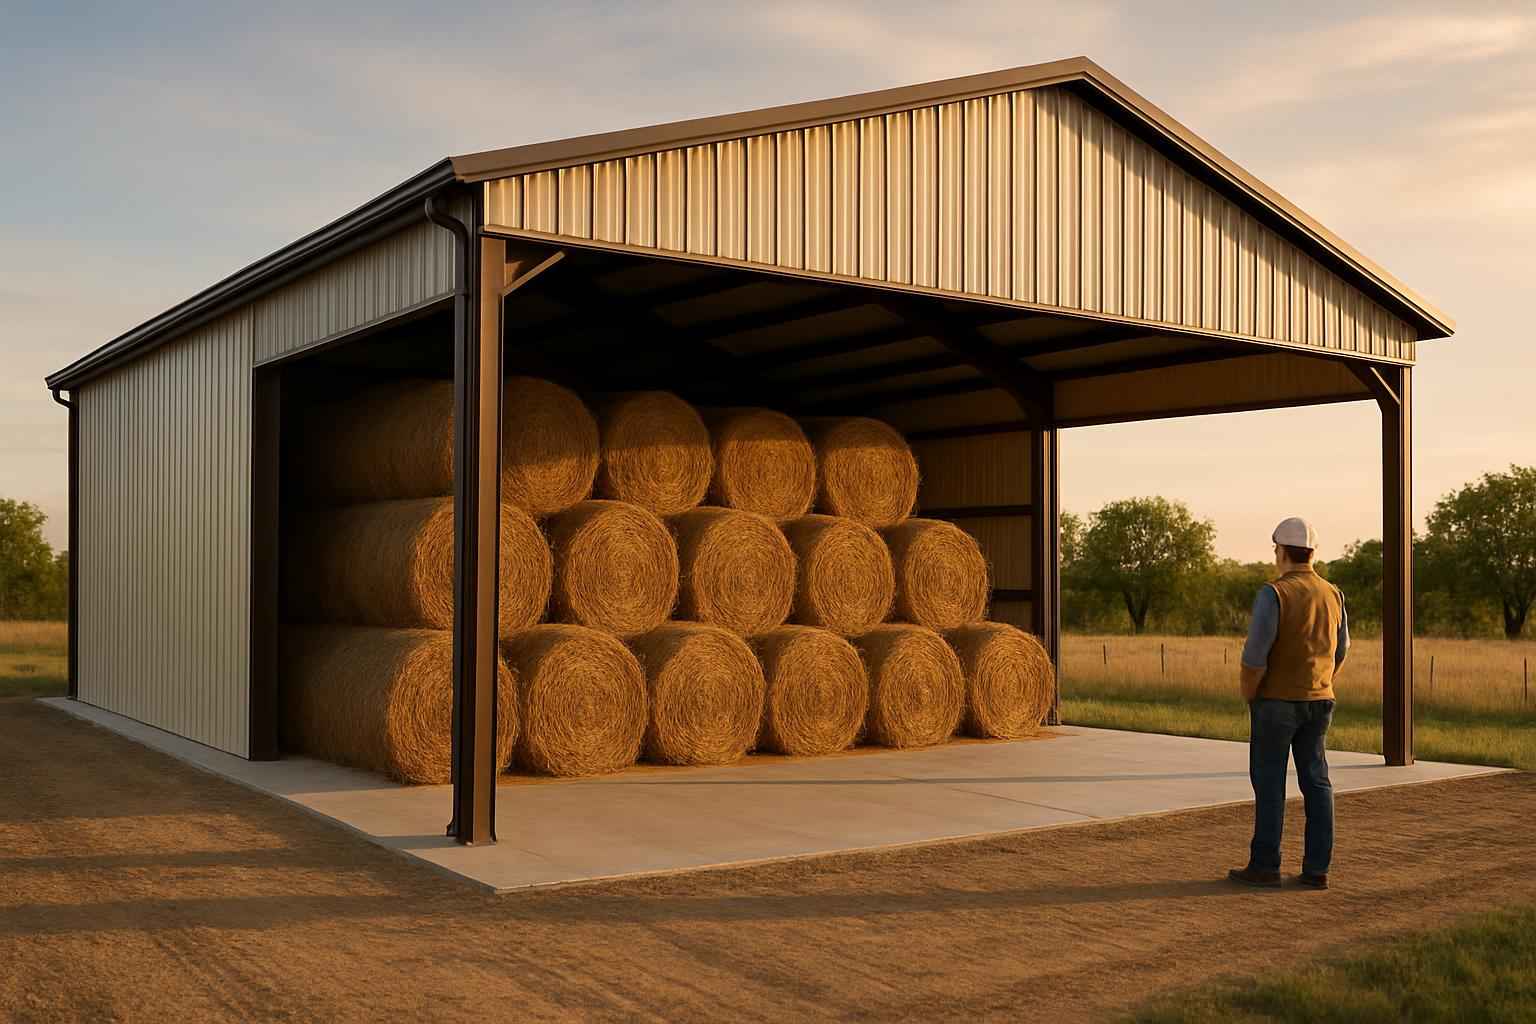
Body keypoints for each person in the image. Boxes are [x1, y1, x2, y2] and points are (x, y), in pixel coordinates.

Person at [1227, 517, 1348, 891]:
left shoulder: (1274, 592)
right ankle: (1316, 869)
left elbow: (1255, 655)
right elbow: (1341, 649)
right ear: (1312, 552)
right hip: (1320, 699)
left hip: (1276, 702)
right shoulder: (1333, 593)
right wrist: (1322, 680)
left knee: (1270, 783)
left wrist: (1250, 692)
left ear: (1280, 551)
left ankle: (1265, 866)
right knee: (1317, 780)